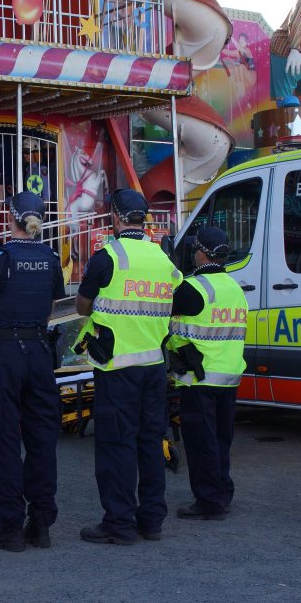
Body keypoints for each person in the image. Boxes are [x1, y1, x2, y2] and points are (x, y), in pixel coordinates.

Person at [72, 188, 180, 545]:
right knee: (150, 442)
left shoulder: (107, 257)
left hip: (117, 368)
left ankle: (119, 524)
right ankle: (151, 521)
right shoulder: (163, 258)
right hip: (153, 365)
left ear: (116, 218)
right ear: (143, 219)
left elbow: (83, 306)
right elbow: (174, 299)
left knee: (117, 445)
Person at [0, 192, 66, 552]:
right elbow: (49, 309)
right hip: (40, 353)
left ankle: (10, 527)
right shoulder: (52, 259)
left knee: (4, 439)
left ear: (11, 217)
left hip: (5, 354)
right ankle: (41, 524)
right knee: (42, 438)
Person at [166, 226, 248, 520]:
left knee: (201, 441)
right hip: (229, 376)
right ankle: (222, 493)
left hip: (200, 377)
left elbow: (162, 311)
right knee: (221, 440)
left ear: (201, 253)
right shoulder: (235, 288)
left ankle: (209, 501)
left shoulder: (194, 288)